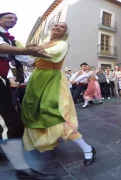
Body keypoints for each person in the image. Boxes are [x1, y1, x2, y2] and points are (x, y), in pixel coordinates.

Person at [21, 22, 96, 167]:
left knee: (58, 114)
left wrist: (28, 49)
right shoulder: (44, 42)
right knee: (34, 112)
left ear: (65, 33)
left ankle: (87, 148)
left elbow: (51, 55)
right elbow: (31, 61)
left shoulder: (62, 44)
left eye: (62, 27)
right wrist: (20, 53)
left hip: (52, 80)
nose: (57, 27)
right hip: (37, 80)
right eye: (56, 25)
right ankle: (44, 141)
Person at [0, 12, 59, 179]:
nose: (14, 20)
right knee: (11, 124)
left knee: (8, 122)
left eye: (16, 19)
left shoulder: (11, 41)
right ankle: (22, 170)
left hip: (2, 80)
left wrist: (52, 60)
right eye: (9, 17)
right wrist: (25, 49)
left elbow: (27, 59)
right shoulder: (7, 42)